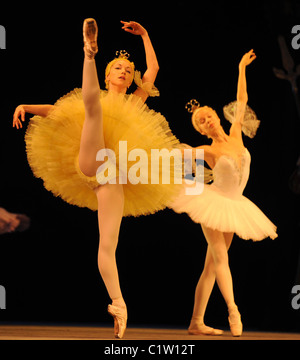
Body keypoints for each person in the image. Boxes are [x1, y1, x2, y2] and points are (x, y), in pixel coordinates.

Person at [13, 19, 181, 338]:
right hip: (90, 160)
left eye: (128, 70)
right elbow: (58, 110)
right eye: (117, 67)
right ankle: (89, 53)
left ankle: (118, 304)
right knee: (93, 111)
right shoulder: (96, 97)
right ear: (107, 74)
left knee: (107, 245)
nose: (123, 72)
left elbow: (154, 68)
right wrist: (27, 107)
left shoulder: (135, 101)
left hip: (114, 175)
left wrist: (145, 35)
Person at [170, 50, 278, 337]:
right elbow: (181, 154)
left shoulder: (236, 133)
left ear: (217, 115)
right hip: (213, 201)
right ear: (202, 130)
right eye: (201, 121)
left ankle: (196, 322)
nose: (207, 120)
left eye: (208, 115)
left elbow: (241, 100)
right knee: (220, 257)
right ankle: (233, 309)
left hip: (235, 203)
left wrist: (241, 67)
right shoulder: (208, 150)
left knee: (211, 267)